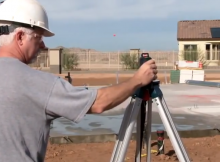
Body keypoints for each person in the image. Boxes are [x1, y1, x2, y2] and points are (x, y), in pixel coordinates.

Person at [0, 0, 158, 162]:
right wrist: (137, 80)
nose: (43, 45)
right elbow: (98, 103)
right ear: (20, 37)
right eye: (38, 37)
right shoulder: (37, 83)